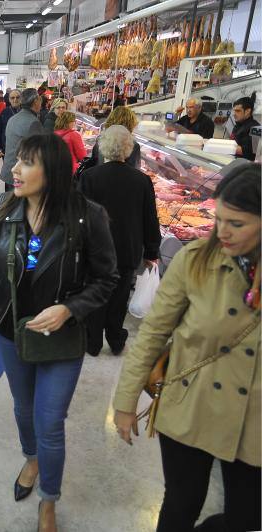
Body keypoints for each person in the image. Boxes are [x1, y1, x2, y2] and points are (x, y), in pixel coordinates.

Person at [113, 161, 261, 532]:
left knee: (247, 516)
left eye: (237, 223)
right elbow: (152, 334)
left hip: (253, 418)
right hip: (192, 403)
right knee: (181, 504)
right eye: (220, 219)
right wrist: (125, 402)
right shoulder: (195, 261)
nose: (222, 232)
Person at [0, 134, 118, 532]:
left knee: (50, 421)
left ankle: (49, 499)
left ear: (53, 171)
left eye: (26, 162)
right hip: (11, 331)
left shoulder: (87, 216)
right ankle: (32, 459)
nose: (14, 169)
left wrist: (69, 309)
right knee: (23, 409)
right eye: (16, 161)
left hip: (60, 338)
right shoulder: (6, 207)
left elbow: (107, 278)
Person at [79, 125, 161, 356]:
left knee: (95, 294)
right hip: (127, 249)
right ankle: (115, 340)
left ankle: (93, 342)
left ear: (103, 147)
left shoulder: (89, 177)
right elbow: (150, 218)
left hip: (96, 249)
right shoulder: (142, 180)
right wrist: (151, 251)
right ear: (129, 148)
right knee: (119, 297)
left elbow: (80, 215)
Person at [0, 88, 45, 191]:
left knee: (10, 199)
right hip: (22, 173)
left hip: (10, 170)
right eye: (40, 99)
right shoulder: (33, 122)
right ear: (35, 101)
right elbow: (38, 152)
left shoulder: (13, 118)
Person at [230, 93, 260, 160]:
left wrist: (224, 146)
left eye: (238, 111)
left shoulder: (255, 129)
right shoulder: (237, 125)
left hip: (245, 165)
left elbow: (250, 152)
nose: (234, 114)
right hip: (233, 160)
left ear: (247, 111)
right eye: (234, 111)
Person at [0, 90, 22, 158]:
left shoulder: (26, 112)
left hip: (22, 150)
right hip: (7, 149)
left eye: (17, 97)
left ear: (21, 99)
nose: (15, 100)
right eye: (12, 98)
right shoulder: (4, 112)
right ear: (9, 100)